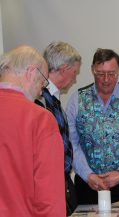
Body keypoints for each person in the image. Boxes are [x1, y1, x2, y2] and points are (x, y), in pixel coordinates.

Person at [66, 48, 119, 204]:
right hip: (88, 186)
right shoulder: (76, 100)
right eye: (100, 73)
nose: (106, 79)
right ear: (92, 69)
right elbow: (72, 143)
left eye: (111, 73)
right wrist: (87, 174)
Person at [0, 45, 65, 216]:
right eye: (43, 82)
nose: (41, 91)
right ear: (30, 72)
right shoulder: (40, 119)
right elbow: (50, 197)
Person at [35, 41, 81, 215]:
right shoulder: (39, 100)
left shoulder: (53, 99)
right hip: (48, 184)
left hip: (62, 181)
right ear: (63, 69)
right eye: (74, 72)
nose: (75, 78)